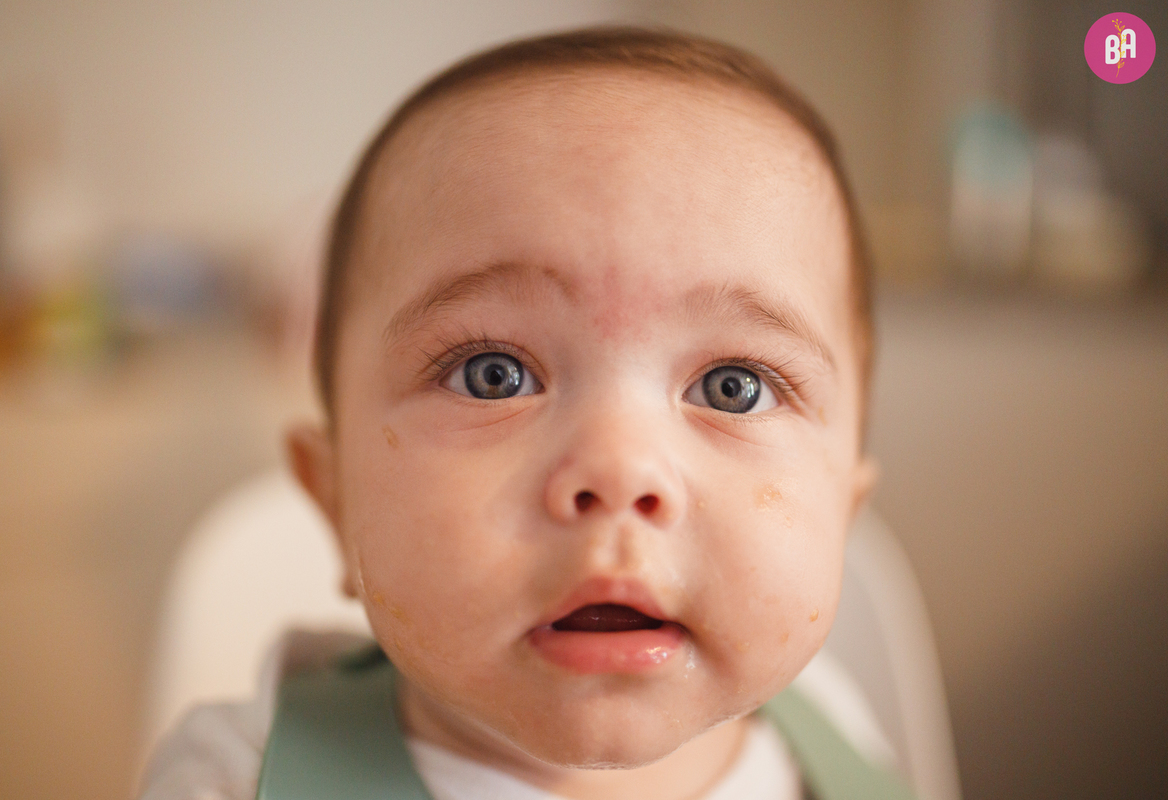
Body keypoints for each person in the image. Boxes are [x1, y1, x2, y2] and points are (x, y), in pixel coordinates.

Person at [140, 27, 915, 800]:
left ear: (841, 512)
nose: (618, 472)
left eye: (733, 386)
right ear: (334, 498)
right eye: (493, 375)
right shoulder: (233, 783)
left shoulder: (839, 745)